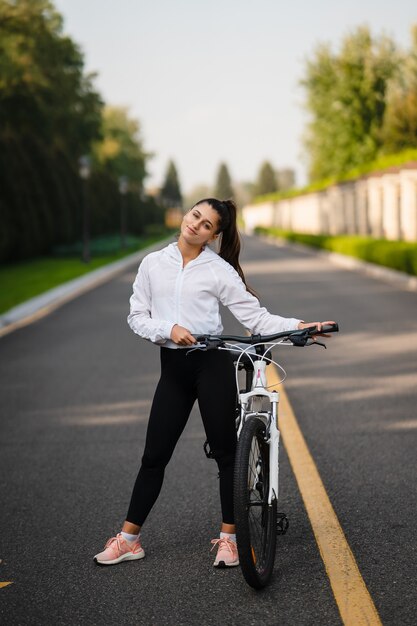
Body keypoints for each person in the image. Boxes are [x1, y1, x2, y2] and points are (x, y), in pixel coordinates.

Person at [93, 198, 333, 568]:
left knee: (226, 457)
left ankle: (229, 540)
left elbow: (256, 317)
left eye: (206, 225)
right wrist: (167, 329)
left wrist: (299, 326)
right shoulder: (153, 263)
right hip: (173, 367)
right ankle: (128, 540)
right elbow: (137, 316)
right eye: (195, 216)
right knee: (154, 456)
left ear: (214, 235)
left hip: (212, 365)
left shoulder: (218, 270)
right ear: (186, 215)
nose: (196, 225)